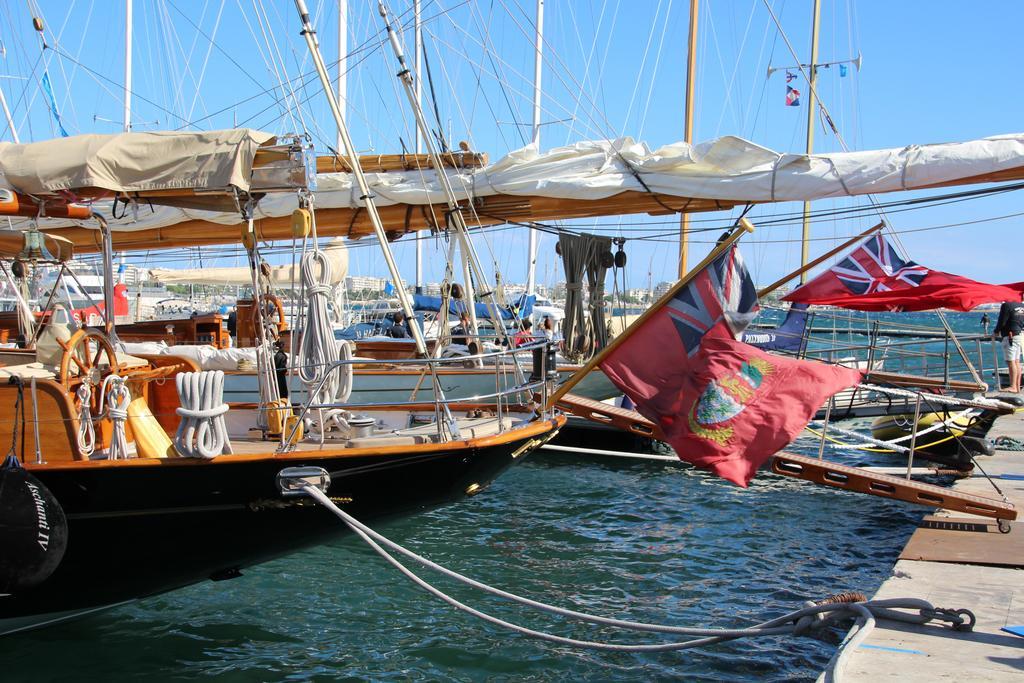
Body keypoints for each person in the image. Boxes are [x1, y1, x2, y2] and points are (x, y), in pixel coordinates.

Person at [994, 295, 1024, 392]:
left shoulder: (1006, 305)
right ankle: (1017, 387)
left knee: (1011, 362)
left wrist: (996, 331)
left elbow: (1002, 321)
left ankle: (1013, 386)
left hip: (1010, 336)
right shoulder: (1021, 306)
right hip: (1019, 335)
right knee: (1016, 362)